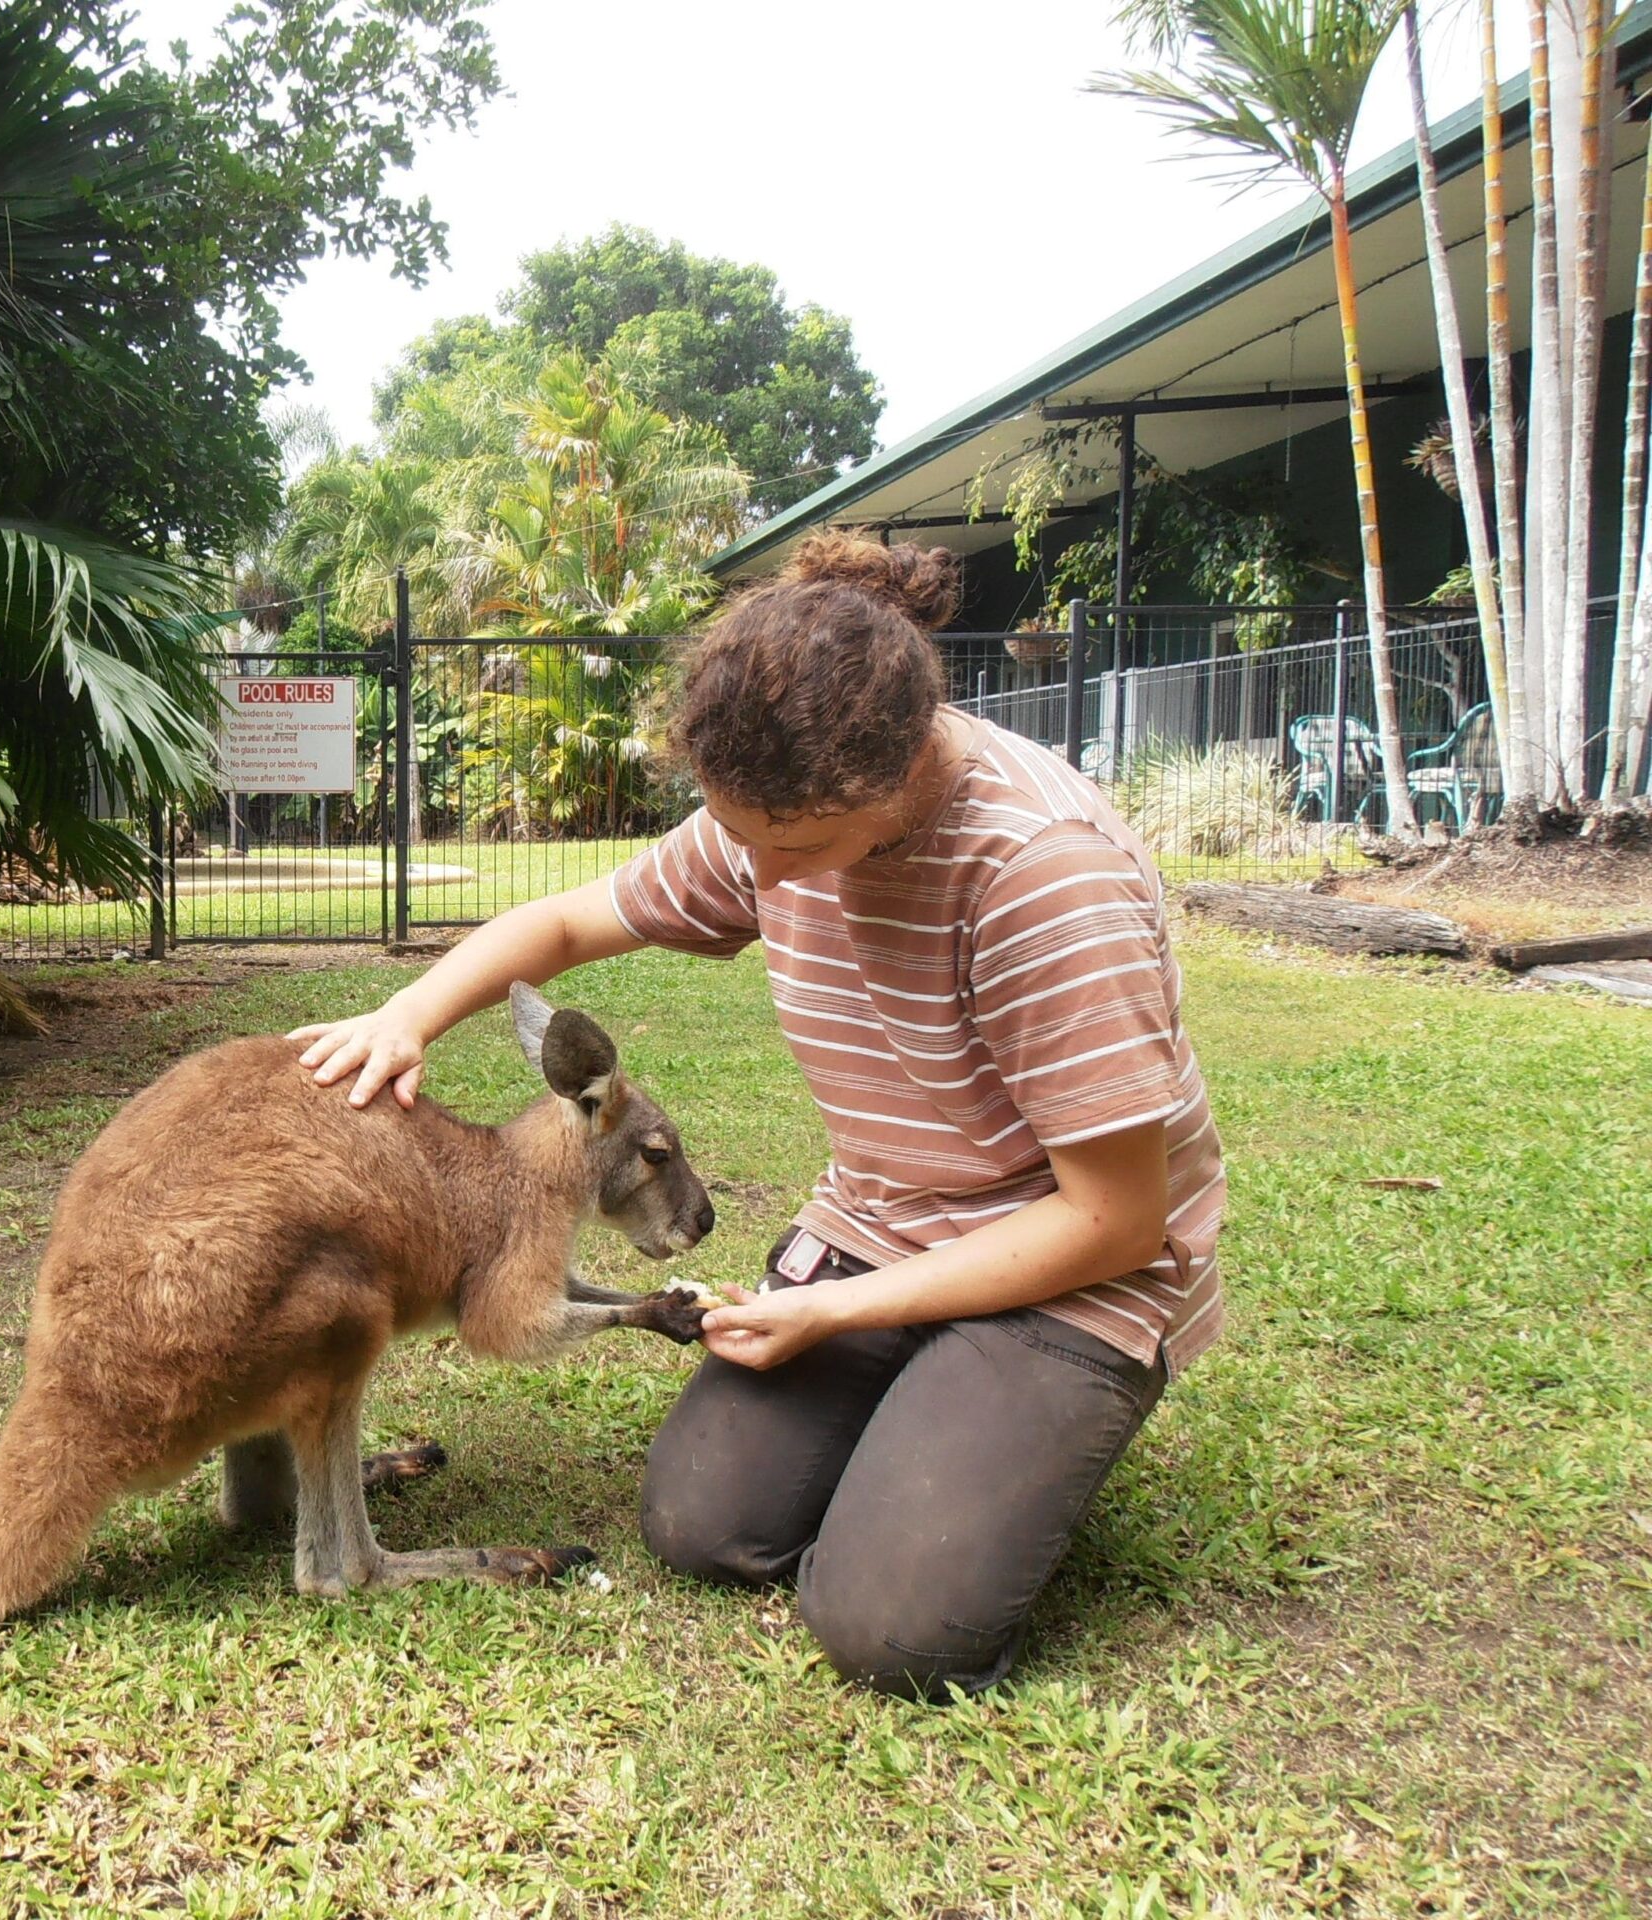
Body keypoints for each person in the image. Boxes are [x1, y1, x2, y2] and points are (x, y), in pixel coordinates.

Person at [287, 533, 1224, 1701]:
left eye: (795, 851)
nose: (762, 888)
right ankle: (931, 1403)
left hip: (1068, 1266)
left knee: (889, 1631)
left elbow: (1117, 1220)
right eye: (738, 842)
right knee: (699, 1524)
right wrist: (407, 1016)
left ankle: (1007, 1415)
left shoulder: (1039, 872)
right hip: (889, 1222)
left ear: (891, 782)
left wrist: (834, 1309)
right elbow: (567, 928)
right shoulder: (775, 815)